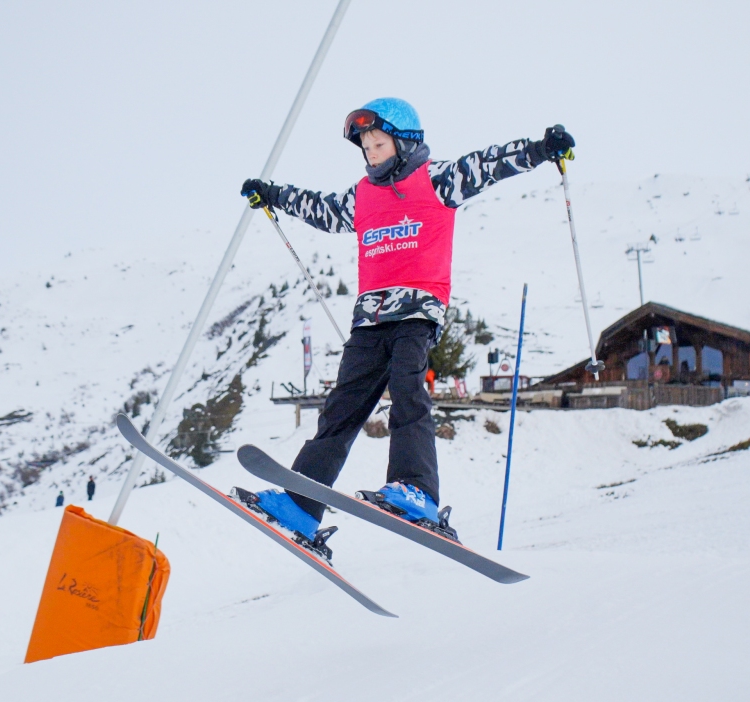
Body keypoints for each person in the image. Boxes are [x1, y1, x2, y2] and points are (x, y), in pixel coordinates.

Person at [238, 98, 572, 545]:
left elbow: (488, 164)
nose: (372, 153)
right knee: (340, 411)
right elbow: (318, 207)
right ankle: (300, 505)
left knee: (408, 391)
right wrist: (274, 195)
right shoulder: (361, 196)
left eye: (379, 143)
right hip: (369, 319)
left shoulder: (436, 180)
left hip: (417, 310)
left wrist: (539, 149)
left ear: (406, 142)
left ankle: (416, 489)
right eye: (366, 147)